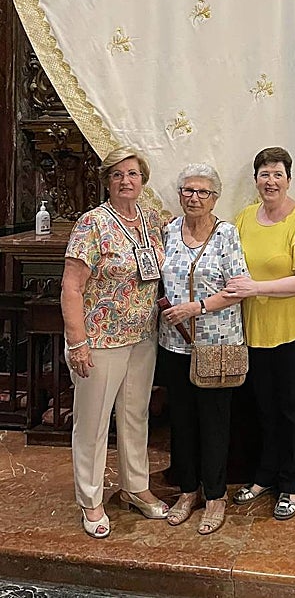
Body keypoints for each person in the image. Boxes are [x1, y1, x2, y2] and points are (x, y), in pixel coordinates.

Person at [60, 147, 167, 538]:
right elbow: (71, 287)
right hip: (99, 339)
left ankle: (135, 487)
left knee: (135, 416)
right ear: (107, 180)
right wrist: (77, 342)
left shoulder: (151, 220)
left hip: (143, 336)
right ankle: (90, 500)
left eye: (133, 174)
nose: (126, 180)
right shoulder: (92, 223)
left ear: (143, 180)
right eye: (118, 174)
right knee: (93, 422)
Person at [225, 147, 295, 520]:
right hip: (255, 332)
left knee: (293, 412)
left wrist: (256, 288)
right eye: (264, 174)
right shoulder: (244, 218)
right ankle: (264, 476)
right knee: (264, 411)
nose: (270, 181)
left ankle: (292, 484)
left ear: (288, 179)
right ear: (255, 180)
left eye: (277, 174)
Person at [158, 163, 249, 534]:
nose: (194, 198)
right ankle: (187, 491)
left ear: (215, 198)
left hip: (217, 346)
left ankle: (215, 496)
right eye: (188, 190)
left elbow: (238, 287)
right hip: (174, 345)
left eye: (203, 192)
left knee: (214, 423)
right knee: (181, 421)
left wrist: (196, 308)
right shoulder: (168, 231)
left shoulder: (226, 234)